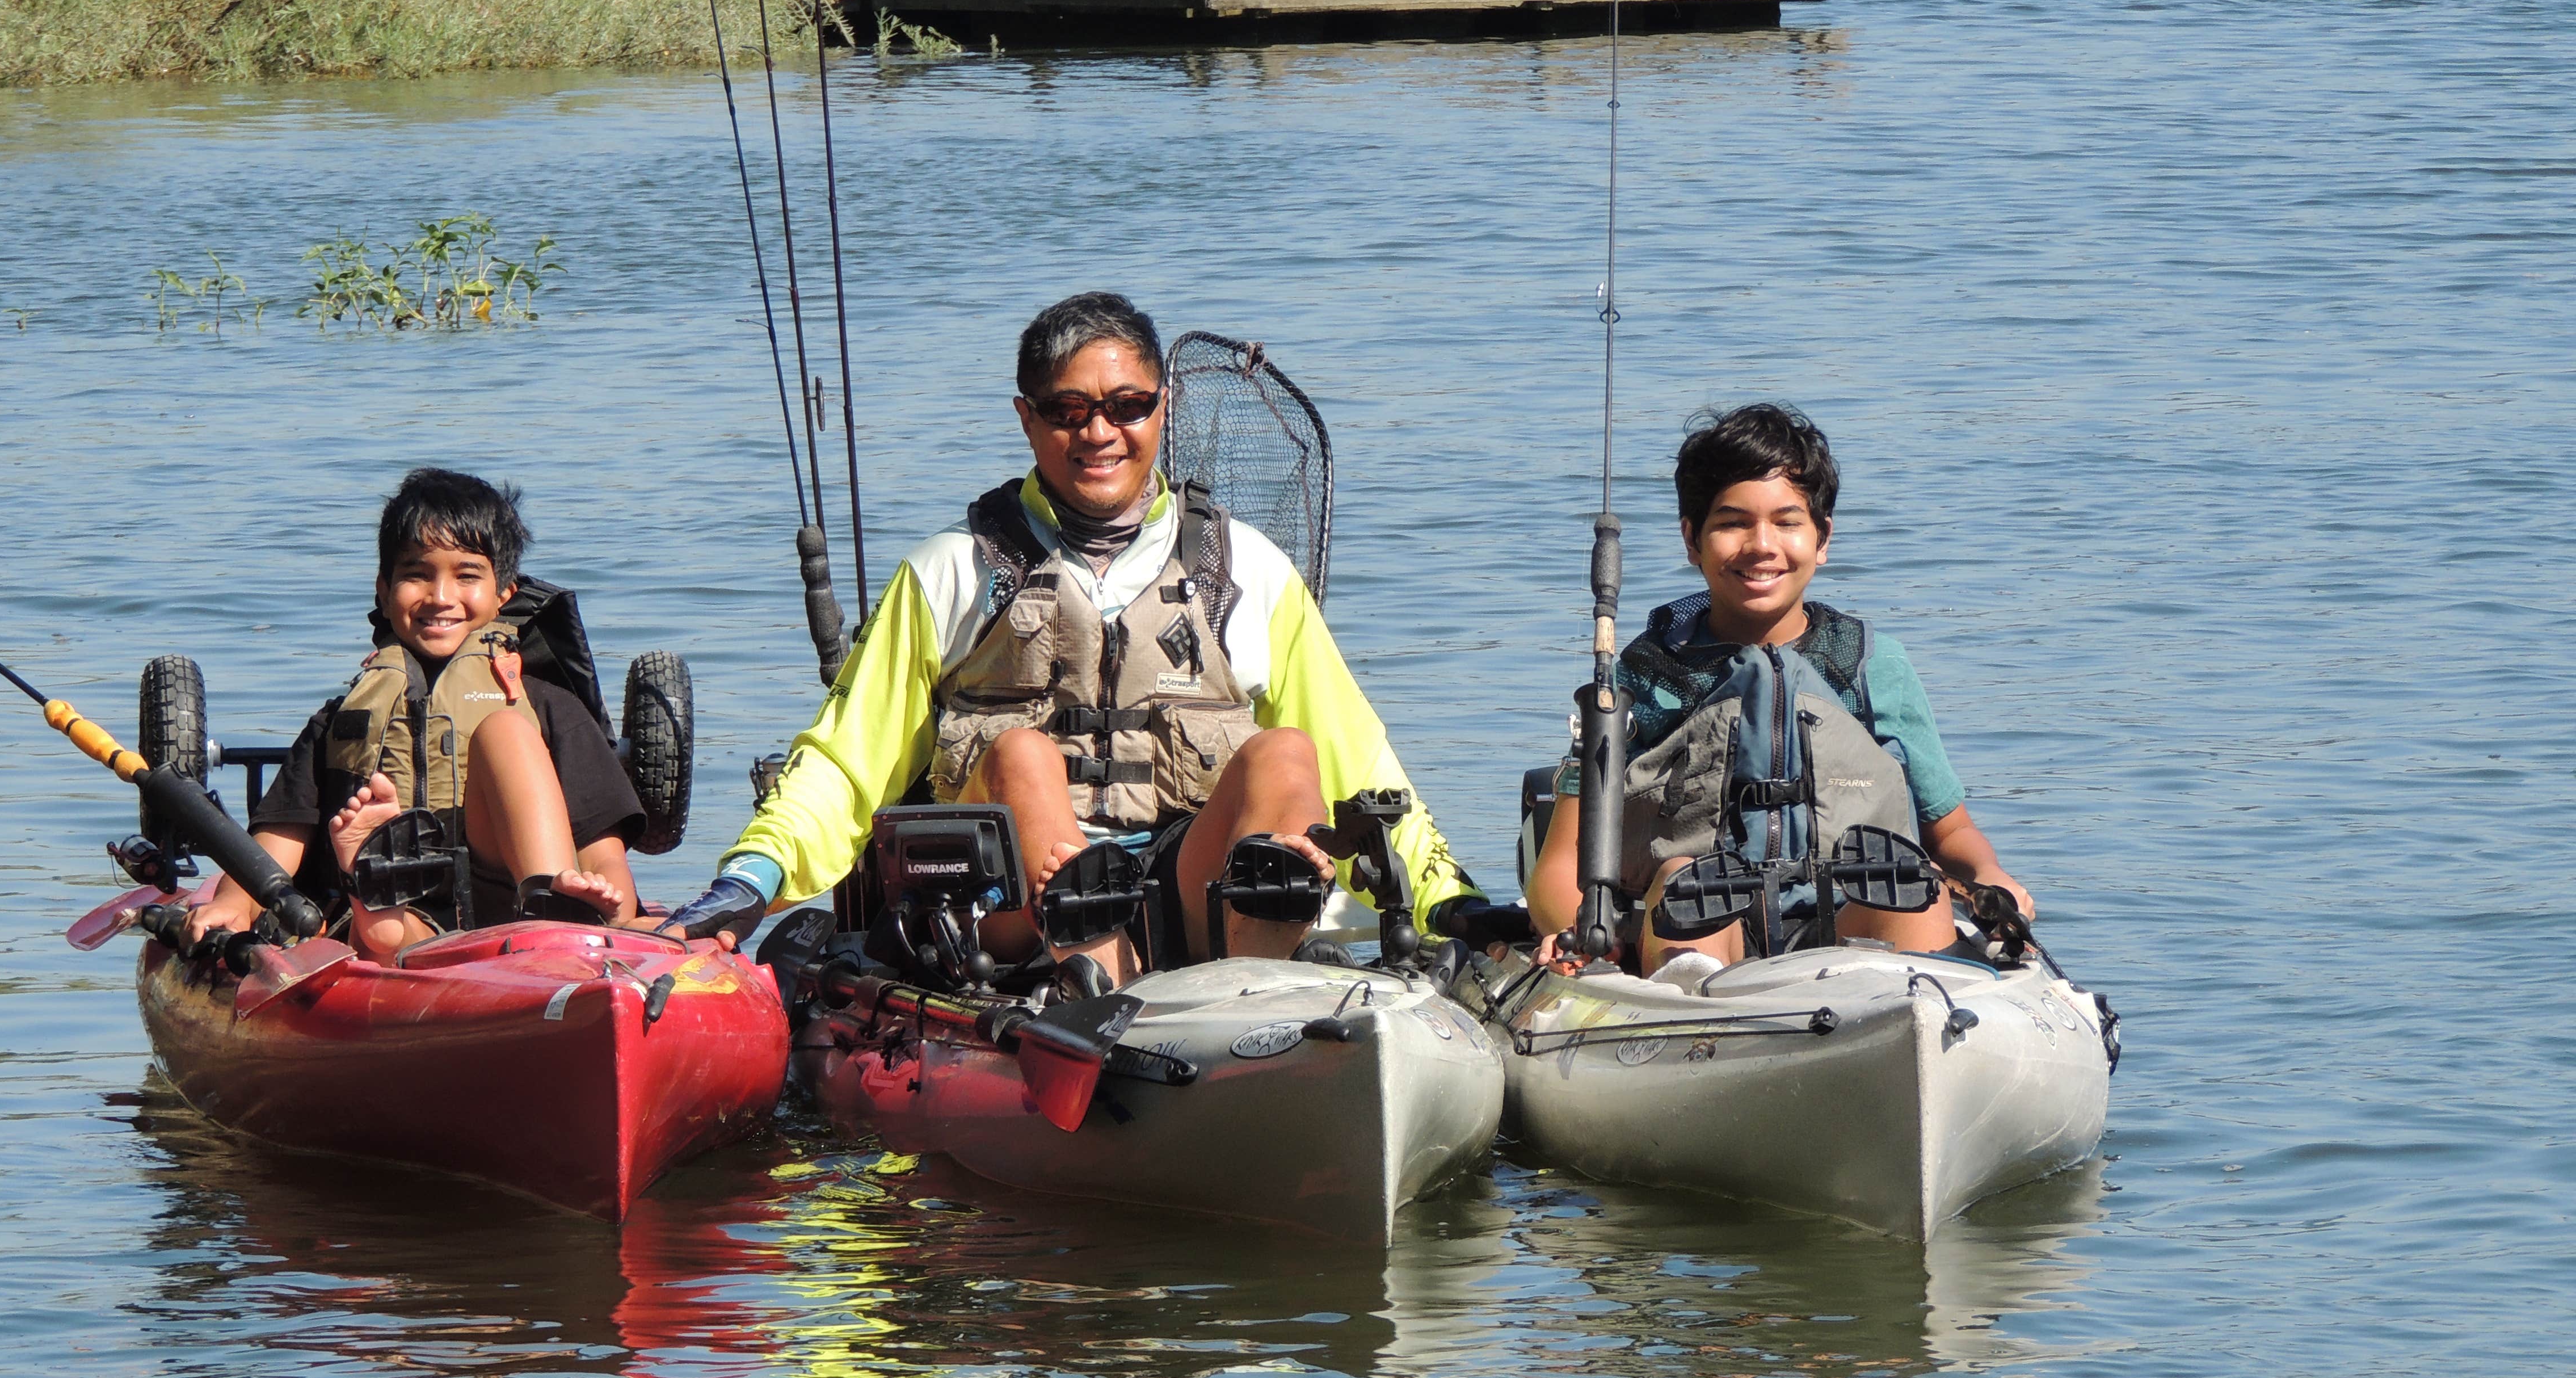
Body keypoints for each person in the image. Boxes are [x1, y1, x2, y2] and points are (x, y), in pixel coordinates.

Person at [666, 290, 1476, 978]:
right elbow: (845, 762)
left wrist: (1451, 902)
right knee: (1022, 754)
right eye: (1069, 412)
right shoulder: (950, 573)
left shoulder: (1251, 570)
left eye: (1128, 408)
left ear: (1165, 409)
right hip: (1008, 920)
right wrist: (750, 879)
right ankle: (1095, 987)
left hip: (1188, 896)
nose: (1100, 434)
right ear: (1027, 418)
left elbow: (1360, 761)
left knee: (1288, 752)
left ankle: (1262, 1000)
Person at [1528, 403, 2034, 974]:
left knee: (1908, 882)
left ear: (1823, 539)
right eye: (1733, 523)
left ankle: (1921, 1020)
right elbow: (1562, 860)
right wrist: (1573, 930)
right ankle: (1695, 1014)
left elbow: (1953, 832)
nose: (1762, 545)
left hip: (1855, 938)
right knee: (1688, 882)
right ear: (1692, 540)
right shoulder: (1640, 679)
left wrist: (1988, 876)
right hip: (1696, 941)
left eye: (1788, 522)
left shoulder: (1874, 667)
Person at [186, 469, 647, 963]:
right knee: (385, 930)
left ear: (503, 596)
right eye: (416, 574)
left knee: (507, 730)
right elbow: (281, 836)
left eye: (467, 575)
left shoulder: (549, 706)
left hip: (512, 918)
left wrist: (618, 910)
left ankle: (556, 913)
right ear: (383, 591)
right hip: (391, 926)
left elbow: (601, 848)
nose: (440, 597)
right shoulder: (339, 722)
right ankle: (376, 894)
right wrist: (235, 903)